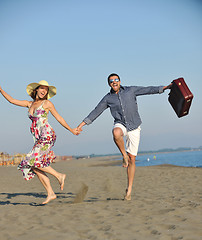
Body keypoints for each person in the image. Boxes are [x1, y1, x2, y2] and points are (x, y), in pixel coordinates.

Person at [77, 73, 171, 201]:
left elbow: (147, 90)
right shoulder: (107, 98)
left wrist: (165, 88)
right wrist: (82, 124)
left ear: (120, 81)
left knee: (133, 159)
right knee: (116, 133)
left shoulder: (130, 90)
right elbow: (96, 111)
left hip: (135, 126)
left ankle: (129, 189)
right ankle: (124, 155)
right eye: (111, 81)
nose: (114, 82)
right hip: (120, 124)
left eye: (116, 80)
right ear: (109, 84)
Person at [0, 80, 80, 204]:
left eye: (46, 89)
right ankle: (51, 193)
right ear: (36, 89)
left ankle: (59, 175)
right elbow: (12, 100)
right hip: (38, 138)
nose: (44, 91)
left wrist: (71, 130)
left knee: (30, 160)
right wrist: (0, 89)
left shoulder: (47, 103)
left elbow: (59, 117)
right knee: (34, 165)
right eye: (41, 88)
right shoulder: (29, 104)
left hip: (47, 134)